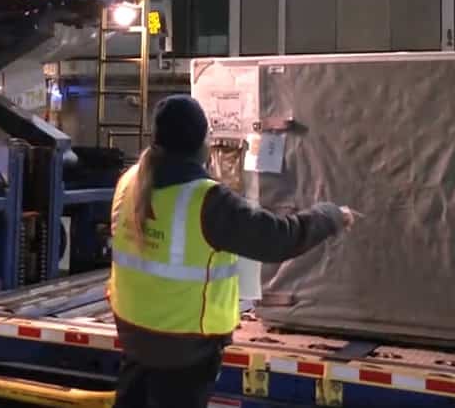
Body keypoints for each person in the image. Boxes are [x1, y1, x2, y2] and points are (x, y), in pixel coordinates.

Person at [108, 95, 356, 408]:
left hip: (134, 336)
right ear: (202, 143)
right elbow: (278, 238)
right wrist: (330, 215)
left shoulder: (129, 182)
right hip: (184, 349)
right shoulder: (207, 201)